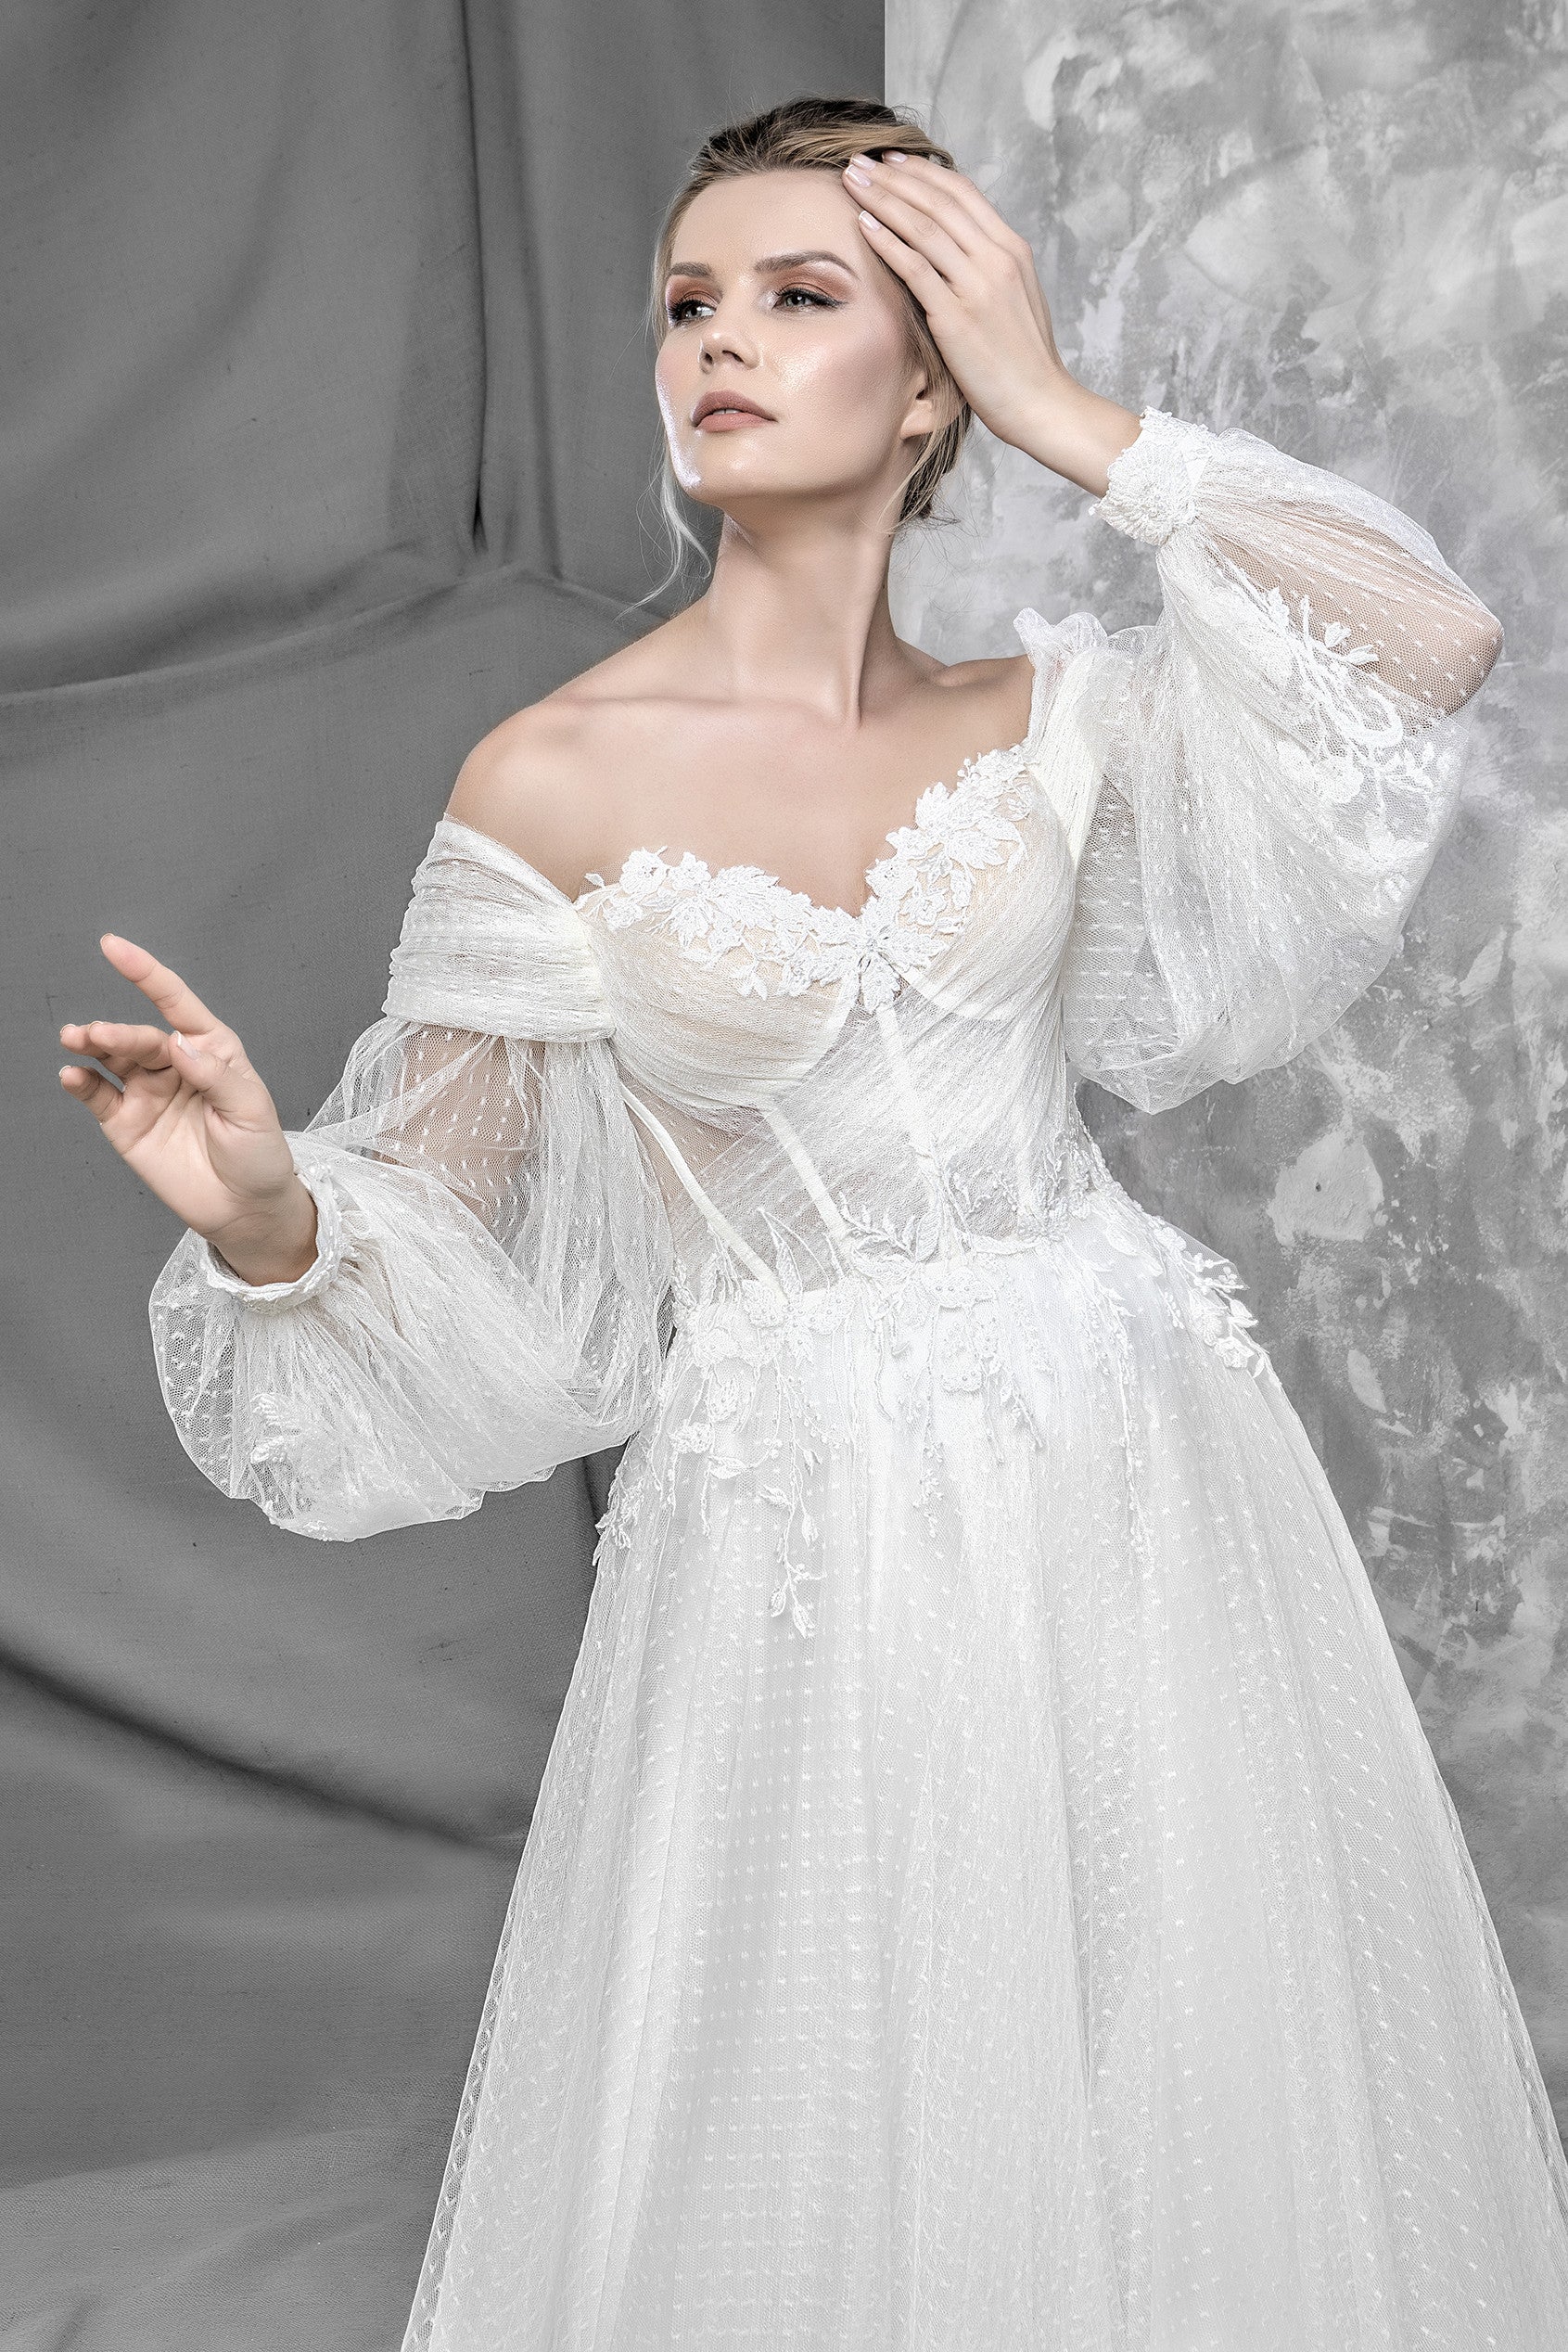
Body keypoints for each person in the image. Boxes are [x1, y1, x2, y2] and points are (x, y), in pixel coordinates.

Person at [57, 92, 1568, 2351]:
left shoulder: (1055, 716)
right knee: (853, 2132)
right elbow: (443, 1229)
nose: (718, 344)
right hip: (810, 1531)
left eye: (798, 295)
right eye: (687, 303)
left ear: (928, 374)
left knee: (1191, 2094)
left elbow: (1428, 641)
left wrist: (1071, 413)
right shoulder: (553, 778)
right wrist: (275, 1212)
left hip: (1140, 1472)